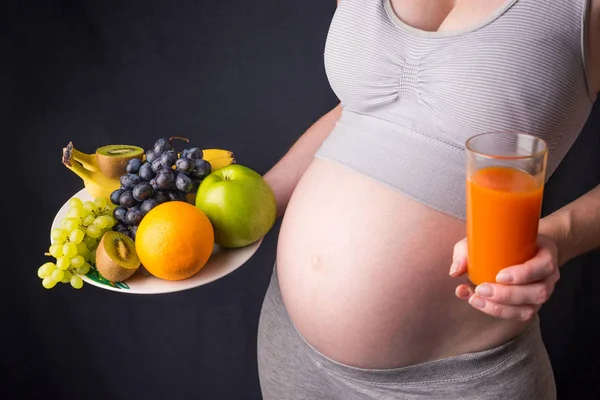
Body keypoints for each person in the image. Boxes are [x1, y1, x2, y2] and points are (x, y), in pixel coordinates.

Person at [257, 0, 600, 399]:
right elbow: (365, 109)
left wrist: (561, 236)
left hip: (456, 379)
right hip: (291, 349)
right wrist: (246, 207)